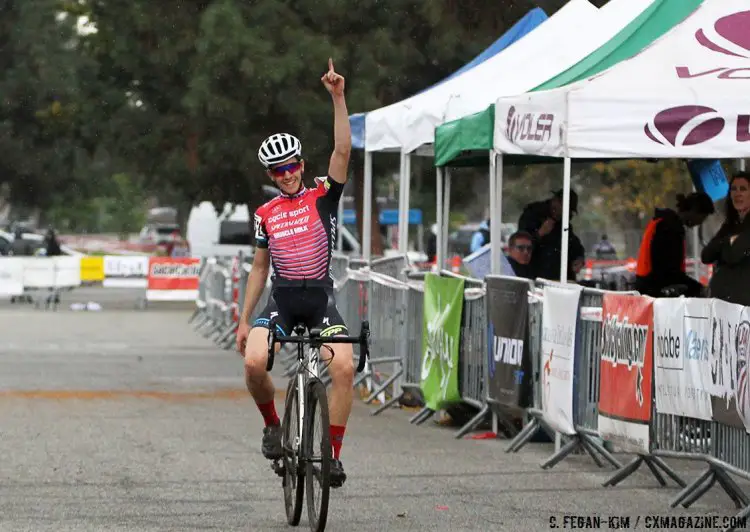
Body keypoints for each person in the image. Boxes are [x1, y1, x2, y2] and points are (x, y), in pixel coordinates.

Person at [236, 59, 353, 488]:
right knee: (252, 364)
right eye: (277, 170)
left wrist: (338, 97)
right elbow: (259, 267)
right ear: (270, 175)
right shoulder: (264, 213)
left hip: (320, 300)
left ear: (302, 163)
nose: (287, 175)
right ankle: (272, 424)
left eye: (292, 166)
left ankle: (333, 455)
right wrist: (244, 319)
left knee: (342, 367)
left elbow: (342, 151)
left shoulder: (323, 194)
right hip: (282, 301)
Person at [634, 191, 715, 298]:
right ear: (694, 211)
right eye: (702, 217)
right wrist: (698, 288)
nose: (700, 223)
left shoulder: (662, 221)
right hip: (654, 292)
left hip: (645, 287)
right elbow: (670, 273)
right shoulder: (671, 228)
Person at [701, 172, 750, 306]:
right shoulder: (730, 225)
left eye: (743, 189)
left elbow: (733, 255)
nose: (737, 194)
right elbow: (706, 255)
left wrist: (723, 246)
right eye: (733, 189)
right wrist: (728, 241)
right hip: (724, 304)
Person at [518, 189, 585, 281]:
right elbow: (520, 246)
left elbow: (574, 245)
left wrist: (579, 258)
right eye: (563, 208)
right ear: (555, 201)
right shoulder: (532, 215)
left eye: (568, 211)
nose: (564, 213)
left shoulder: (563, 224)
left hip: (558, 279)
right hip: (534, 276)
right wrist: (539, 233)